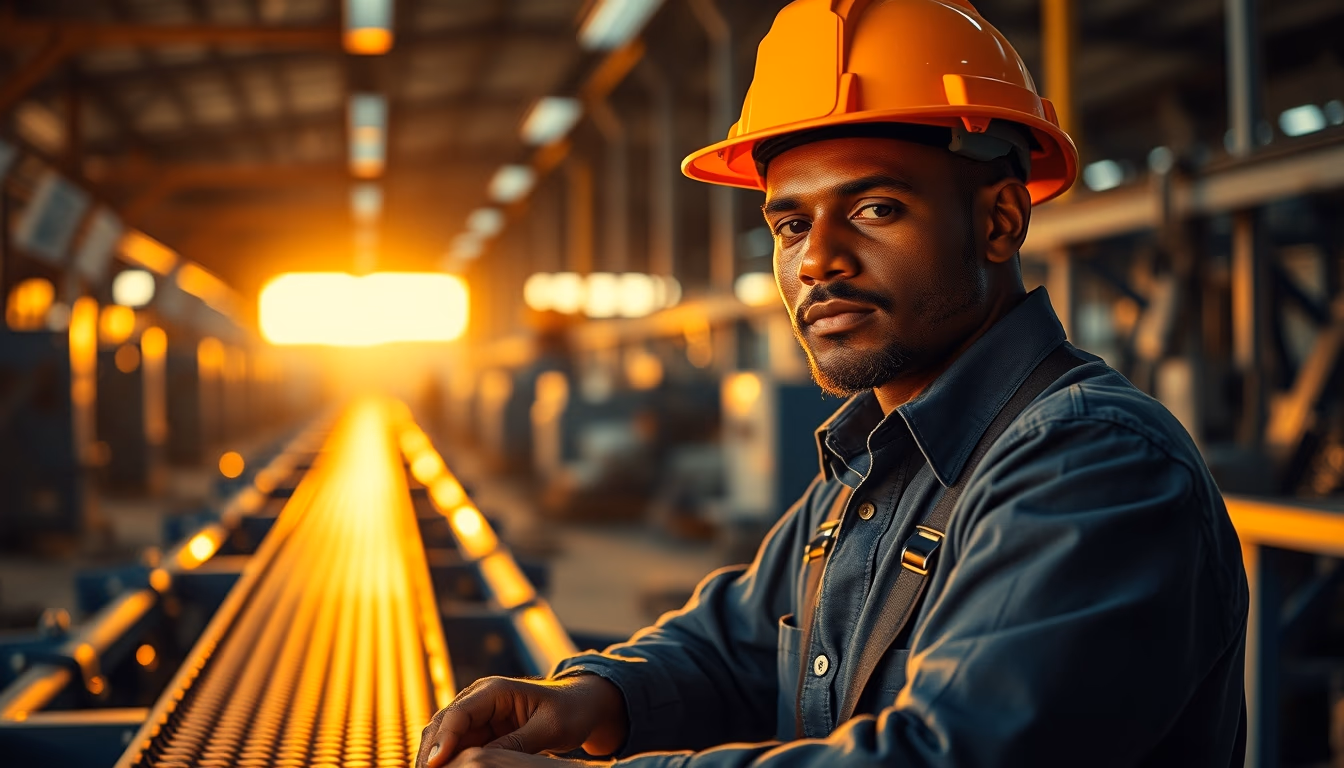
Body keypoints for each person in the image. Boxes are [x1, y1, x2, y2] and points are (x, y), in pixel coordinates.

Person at [417, 0, 1248, 765]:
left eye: (875, 208)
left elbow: (945, 756)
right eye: (789, 224)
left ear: (999, 221)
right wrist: (594, 697)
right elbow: (738, 642)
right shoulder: (875, 460)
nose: (816, 261)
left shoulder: (1089, 466)